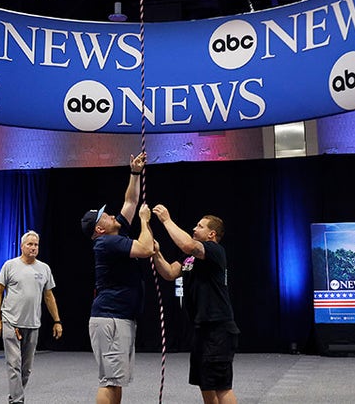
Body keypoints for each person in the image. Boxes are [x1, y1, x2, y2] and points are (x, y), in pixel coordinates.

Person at [81, 152, 154, 404]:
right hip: (111, 318)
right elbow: (146, 249)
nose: (111, 214)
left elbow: (130, 202)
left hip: (119, 317)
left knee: (117, 380)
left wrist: (135, 173)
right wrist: (146, 223)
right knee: (110, 381)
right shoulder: (107, 243)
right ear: (99, 229)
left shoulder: (112, 236)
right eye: (105, 215)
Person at [151, 205, 239, 404]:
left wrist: (166, 220)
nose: (194, 229)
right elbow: (170, 273)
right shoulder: (190, 258)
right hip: (201, 328)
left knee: (222, 387)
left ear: (211, 234)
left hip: (219, 328)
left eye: (200, 226)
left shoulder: (215, 251)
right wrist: (156, 253)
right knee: (205, 383)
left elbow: (188, 245)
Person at [0, 230, 62, 404]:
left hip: (33, 323)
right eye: (30, 244)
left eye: (36, 245)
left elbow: (49, 296)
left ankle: (14, 396)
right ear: (22, 246)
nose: (33, 248)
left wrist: (57, 321)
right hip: (11, 321)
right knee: (13, 364)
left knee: (26, 369)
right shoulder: (10, 265)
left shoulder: (44, 268)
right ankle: (18, 400)